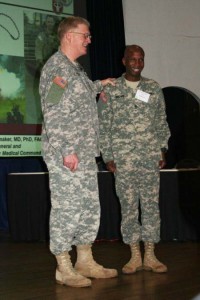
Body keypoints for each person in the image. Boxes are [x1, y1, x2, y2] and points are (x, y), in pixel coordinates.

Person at [39, 16, 117, 288]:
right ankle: (63, 266)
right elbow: (53, 111)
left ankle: (85, 259)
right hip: (67, 153)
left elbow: (78, 95)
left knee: (86, 206)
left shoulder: (76, 70)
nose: (89, 39)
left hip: (84, 153)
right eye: (85, 35)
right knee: (67, 208)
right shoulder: (57, 69)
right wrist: (66, 150)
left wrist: (99, 85)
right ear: (70, 36)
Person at [98, 45, 171, 274]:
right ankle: (134, 256)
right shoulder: (111, 89)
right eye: (133, 59)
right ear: (124, 61)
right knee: (128, 206)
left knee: (150, 206)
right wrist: (108, 155)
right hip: (123, 160)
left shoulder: (153, 88)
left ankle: (150, 254)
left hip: (149, 157)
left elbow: (161, 121)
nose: (137, 63)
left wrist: (162, 149)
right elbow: (103, 126)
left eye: (141, 59)